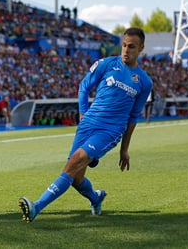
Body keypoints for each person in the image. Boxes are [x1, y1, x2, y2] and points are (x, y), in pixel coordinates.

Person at [18, 27, 153, 222]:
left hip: (110, 130)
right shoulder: (106, 64)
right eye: (123, 45)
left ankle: (36, 207)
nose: (126, 50)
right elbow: (84, 87)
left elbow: (133, 117)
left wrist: (125, 149)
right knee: (76, 176)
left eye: (131, 47)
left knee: (74, 163)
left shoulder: (144, 81)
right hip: (88, 123)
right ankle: (96, 197)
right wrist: (83, 115)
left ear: (141, 48)